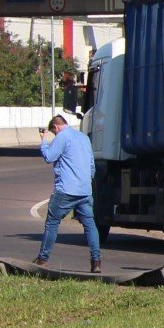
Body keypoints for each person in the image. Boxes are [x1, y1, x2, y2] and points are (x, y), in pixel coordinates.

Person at [37, 113, 100, 271]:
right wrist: (86, 181)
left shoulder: (62, 136)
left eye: (53, 132)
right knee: (90, 225)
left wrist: (44, 140)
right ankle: (96, 261)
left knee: (52, 223)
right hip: (85, 190)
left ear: (56, 127)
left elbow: (49, 157)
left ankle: (42, 259)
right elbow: (92, 165)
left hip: (66, 190)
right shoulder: (84, 138)